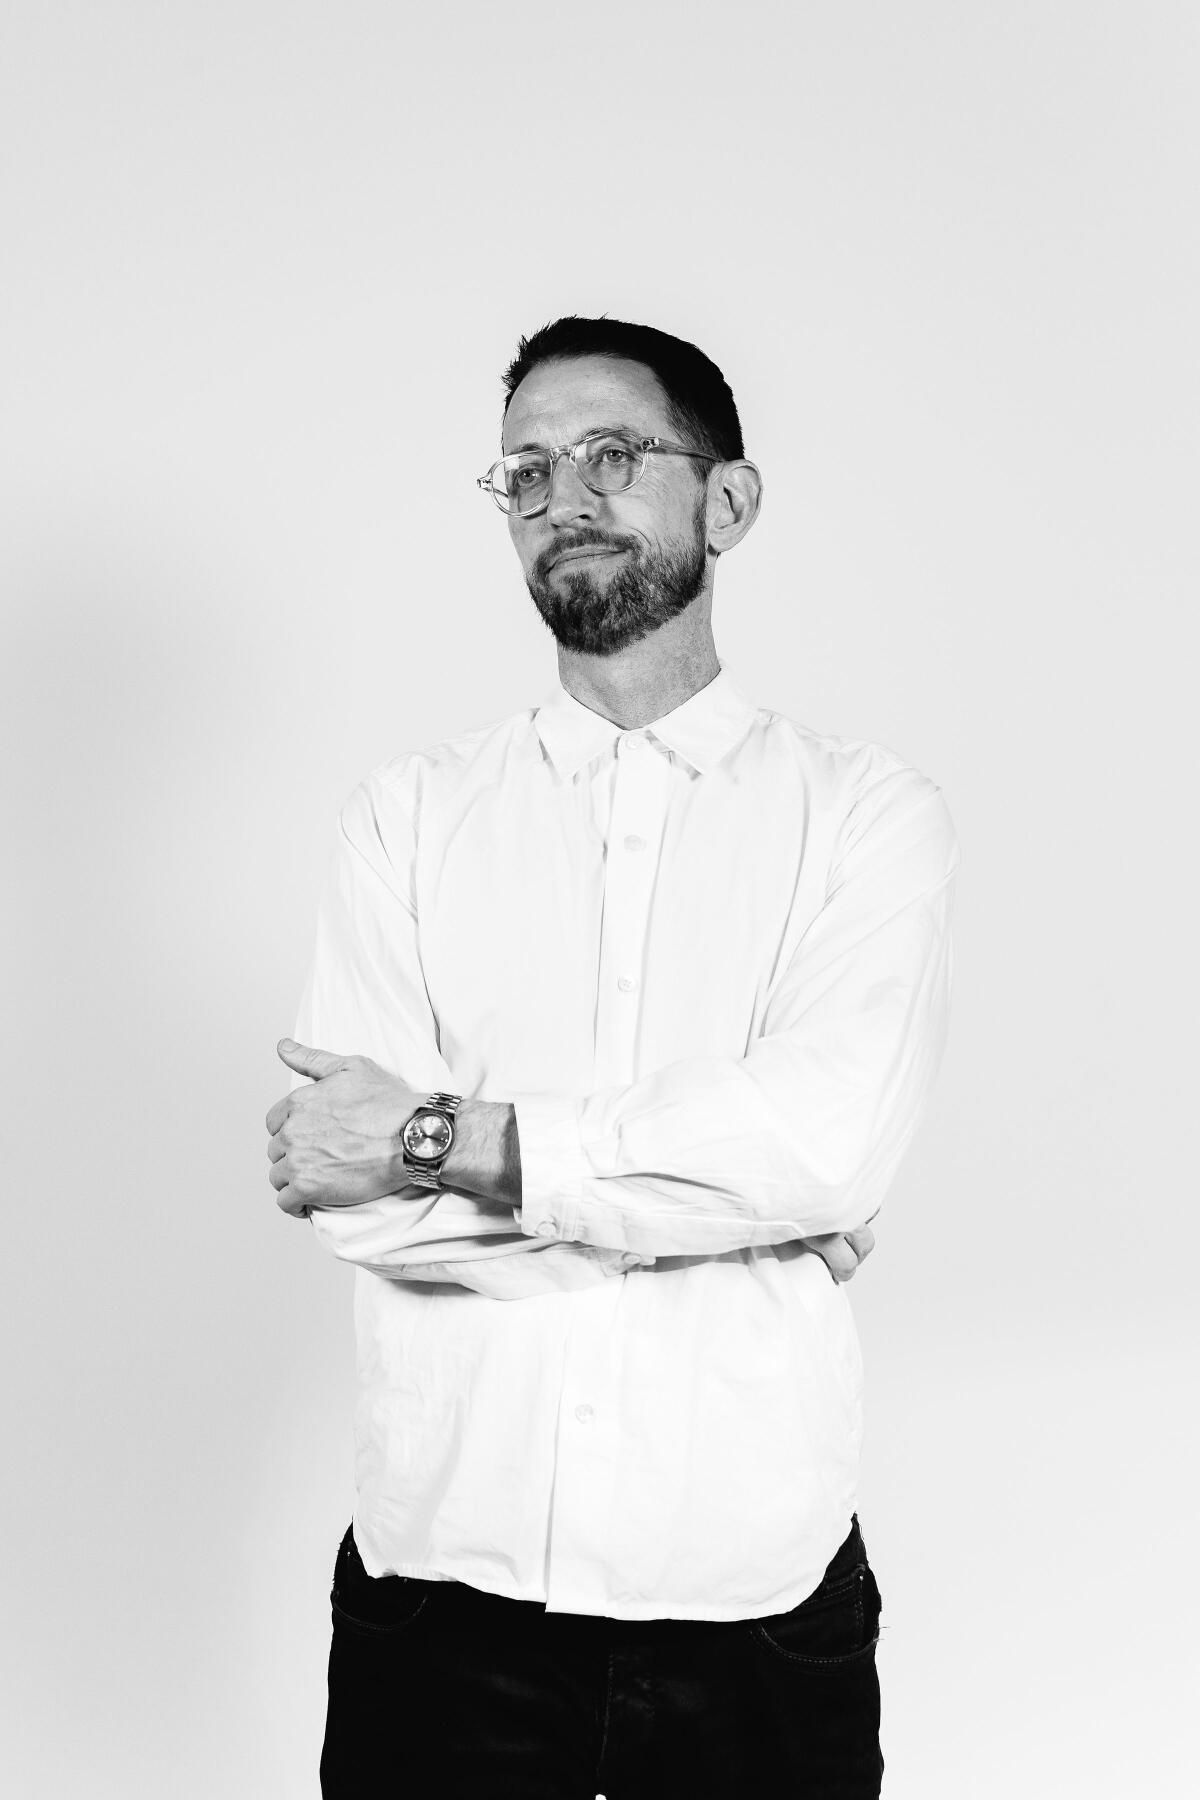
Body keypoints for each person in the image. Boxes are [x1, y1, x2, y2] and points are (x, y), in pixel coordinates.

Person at [265, 315, 959, 1798]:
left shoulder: (865, 817)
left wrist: (444, 1139)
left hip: (752, 1605)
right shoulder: (405, 820)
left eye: (610, 455)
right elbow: (359, 1193)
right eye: (523, 472)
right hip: (440, 1589)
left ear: (728, 503)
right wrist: (732, 1214)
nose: (561, 497)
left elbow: (823, 1148)